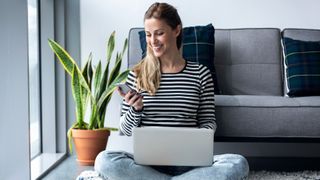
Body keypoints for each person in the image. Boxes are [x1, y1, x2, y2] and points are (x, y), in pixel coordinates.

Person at [95, 2, 249, 180]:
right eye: (148, 34)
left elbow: (208, 122)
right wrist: (135, 109)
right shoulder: (137, 74)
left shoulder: (200, 74)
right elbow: (126, 131)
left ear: (176, 30)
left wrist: (198, 139)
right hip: (146, 165)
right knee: (104, 160)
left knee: (237, 163)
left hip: (190, 165)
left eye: (159, 33)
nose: (153, 41)